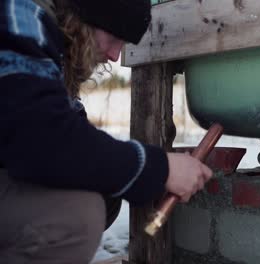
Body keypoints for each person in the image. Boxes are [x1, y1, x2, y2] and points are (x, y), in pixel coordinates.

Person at [0, 0, 213, 263]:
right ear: (85, 16)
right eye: (114, 38)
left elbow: (73, 133)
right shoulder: (18, 16)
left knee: (104, 190)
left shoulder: (55, 47)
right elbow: (41, 138)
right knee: (76, 216)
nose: (115, 56)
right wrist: (161, 169)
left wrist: (143, 175)